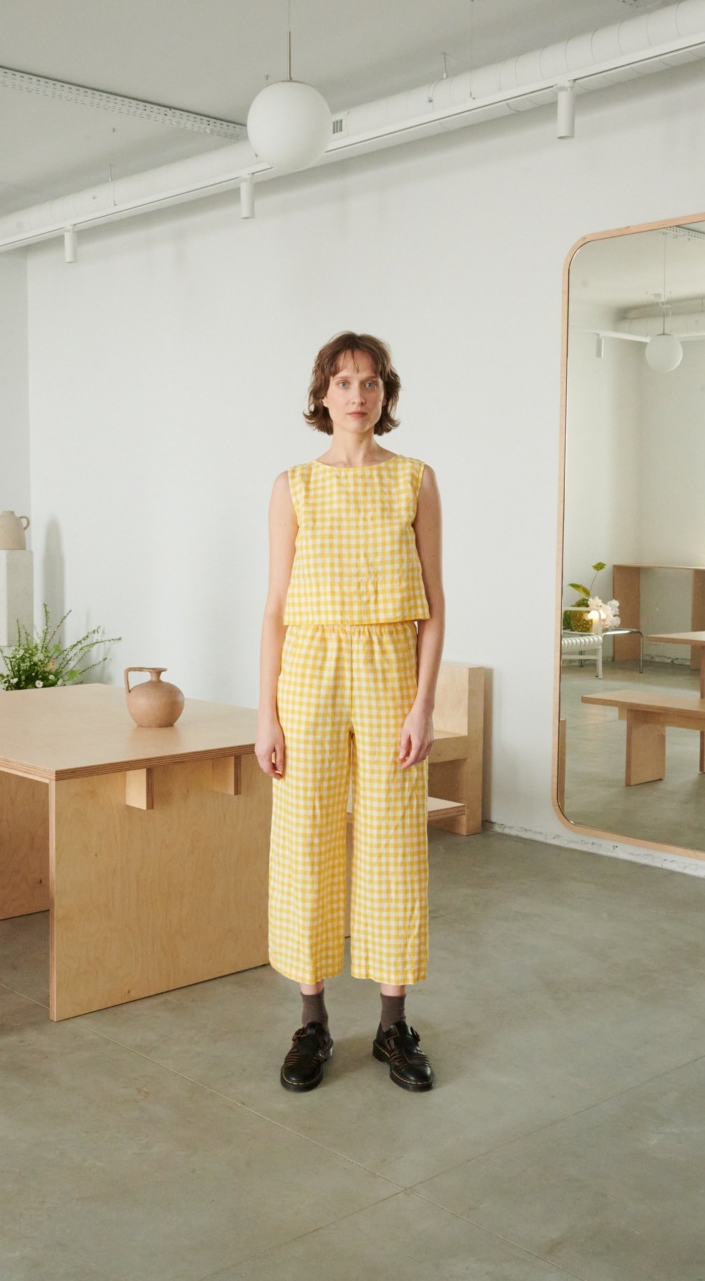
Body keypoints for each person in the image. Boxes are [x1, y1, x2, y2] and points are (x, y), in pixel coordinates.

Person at [255, 331, 445, 1093]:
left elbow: (434, 606)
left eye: (370, 382)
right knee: (305, 833)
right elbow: (273, 607)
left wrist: (424, 702)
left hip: (391, 667)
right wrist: (266, 712)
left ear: (386, 395)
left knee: (394, 839)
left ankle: (393, 1024)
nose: (357, 395)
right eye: (343, 381)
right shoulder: (293, 484)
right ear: (322, 395)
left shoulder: (417, 480)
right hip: (308, 670)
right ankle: (312, 1020)